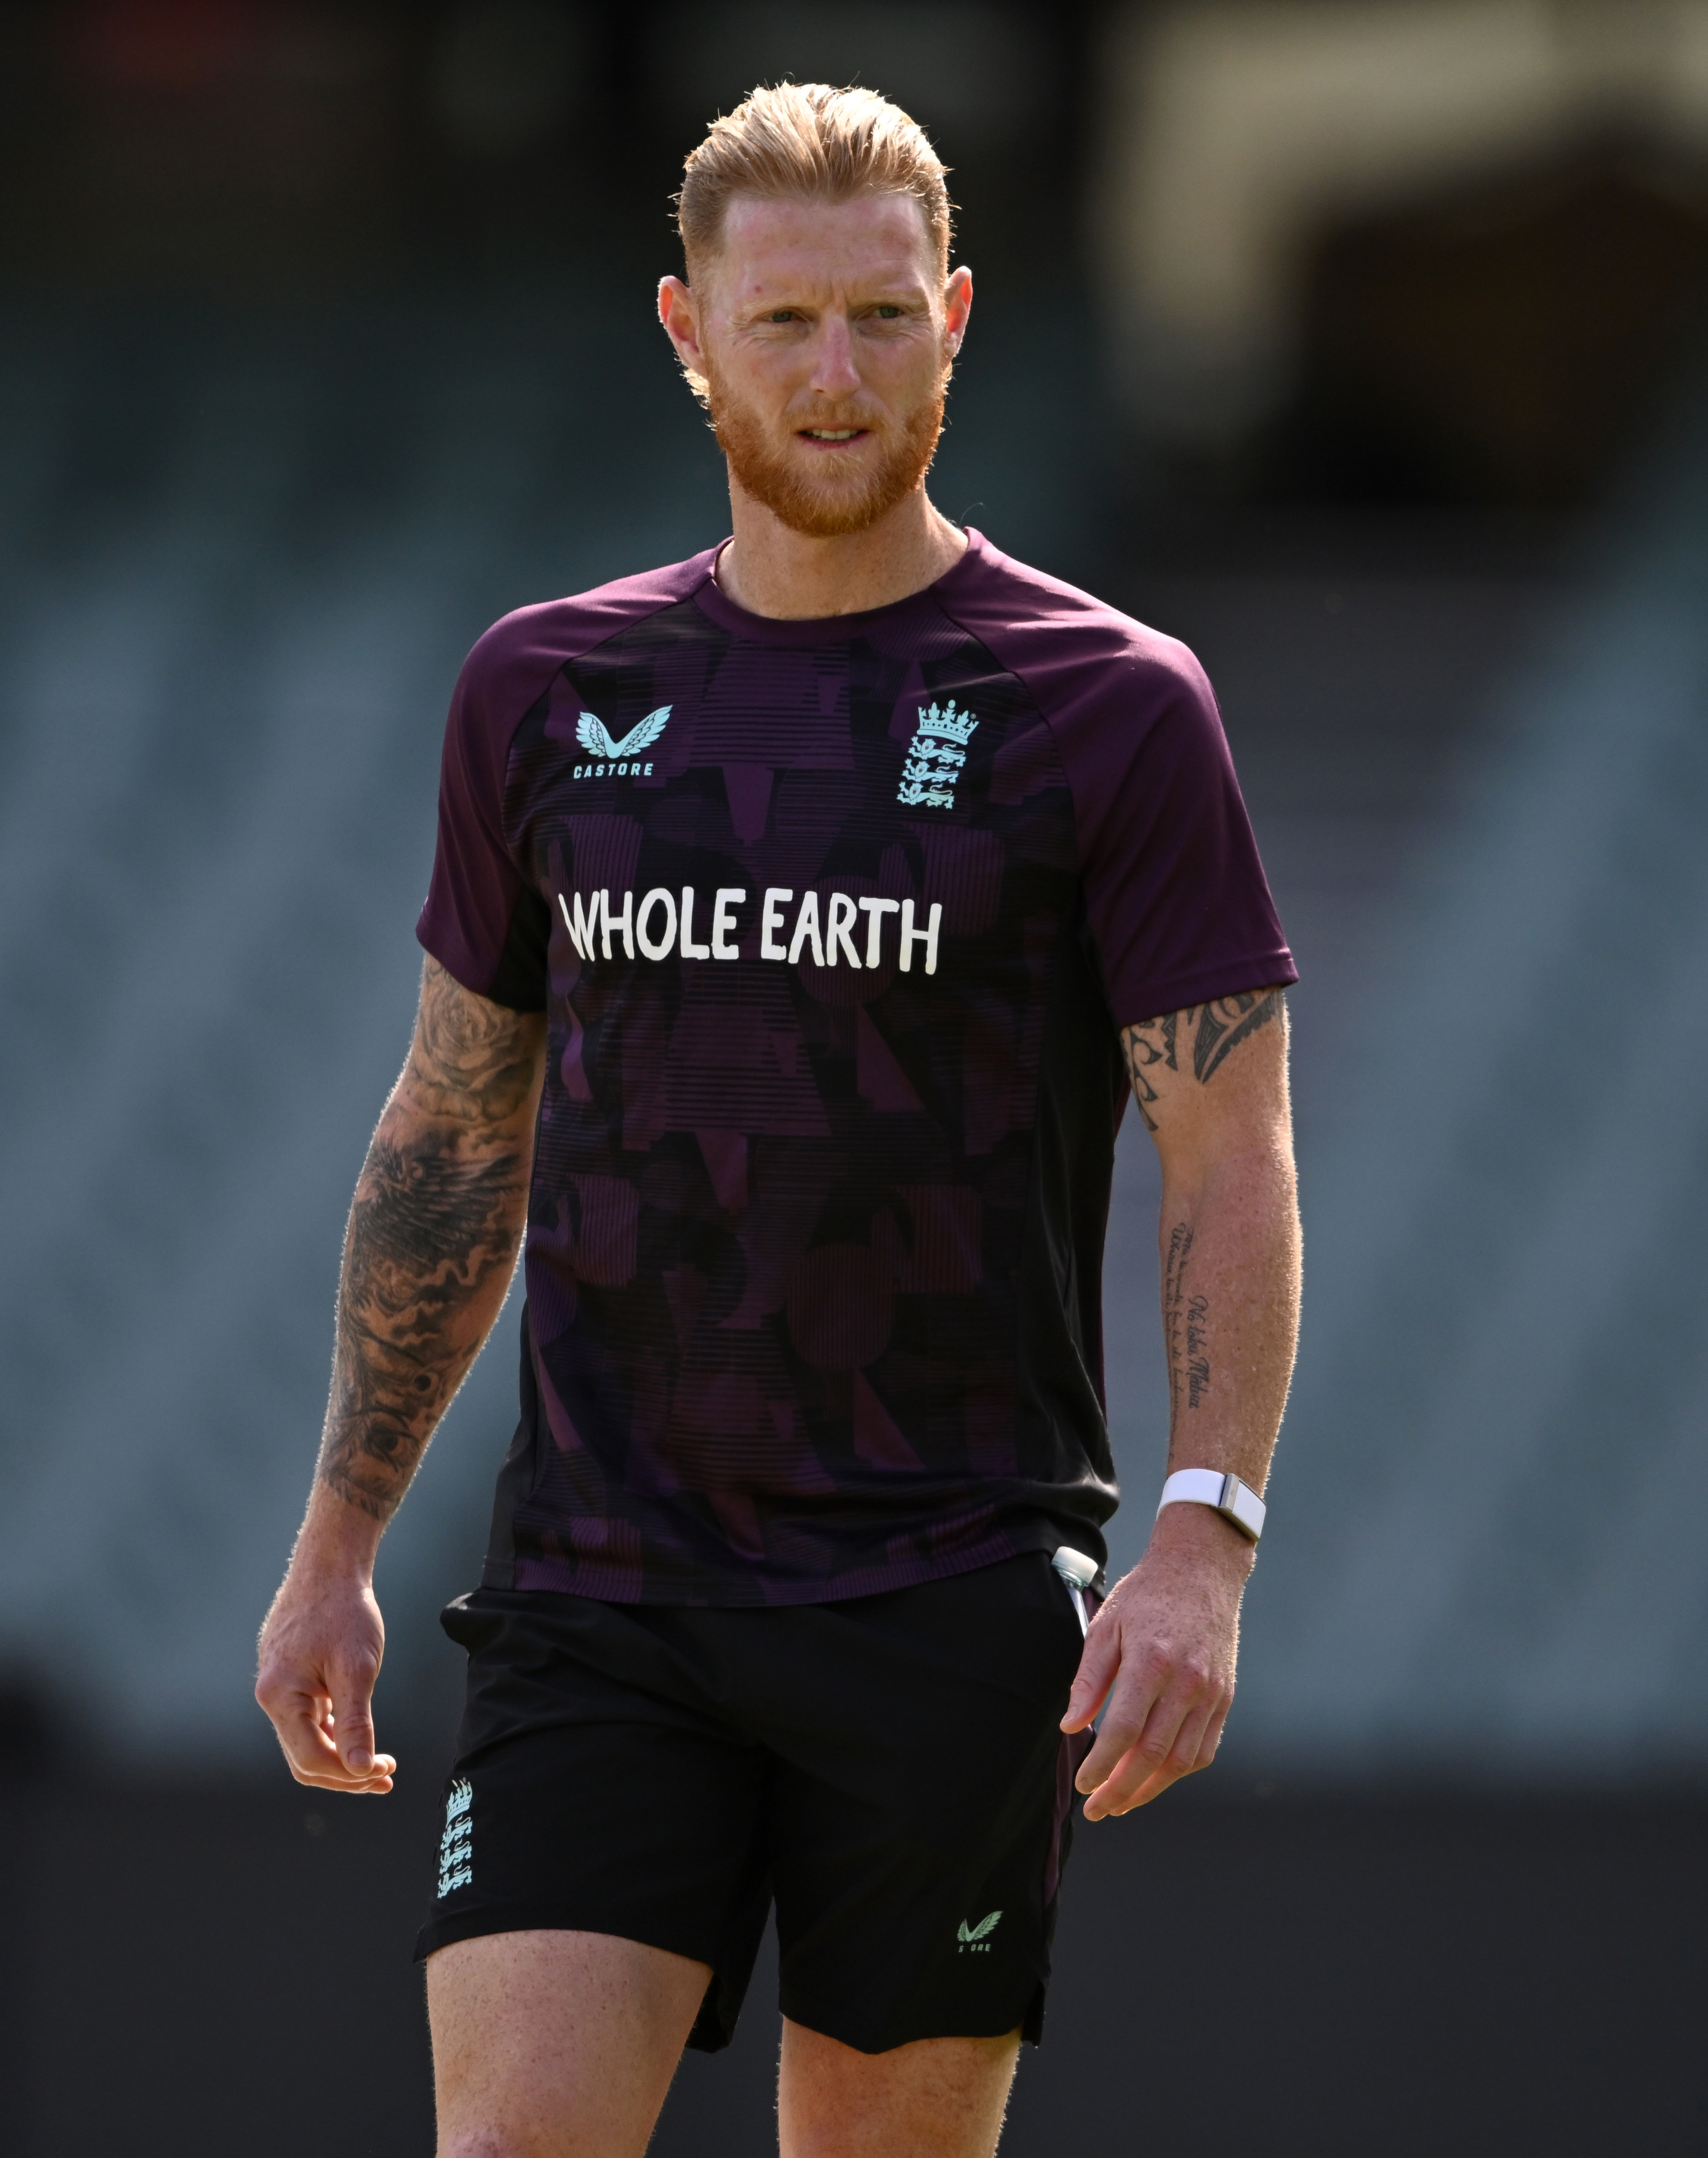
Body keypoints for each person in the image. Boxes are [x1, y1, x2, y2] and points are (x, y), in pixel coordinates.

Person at [256, 81, 1301, 2158]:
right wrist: (337, 1541)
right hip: (599, 1591)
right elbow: (453, 1134)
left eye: (883, 318)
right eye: (786, 322)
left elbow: (1228, 1151)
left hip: (946, 1589)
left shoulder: (1109, 704)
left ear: (955, 318)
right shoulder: (542, 690)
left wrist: (1206, 1538)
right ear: (687, 330)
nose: (837, 377)